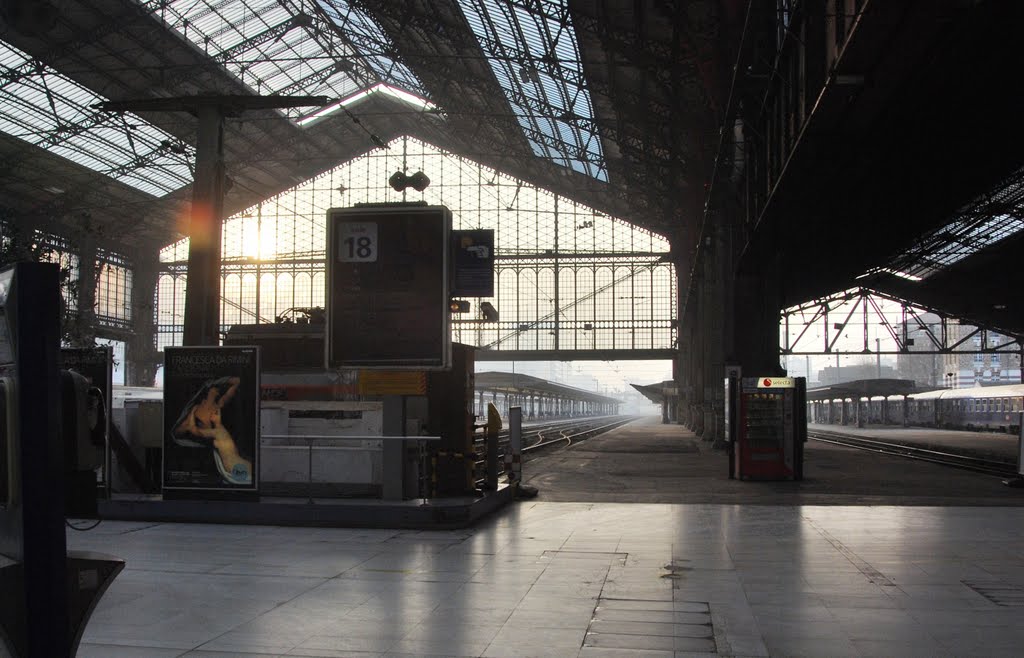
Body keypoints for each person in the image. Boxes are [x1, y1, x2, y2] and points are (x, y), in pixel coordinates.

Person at [171, 376, 251, 485]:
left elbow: (236, 383)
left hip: (221, 448)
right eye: (214, 389)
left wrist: (222, 381)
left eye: (217, 389)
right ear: (207, 391)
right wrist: (190, 422)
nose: (217, 391)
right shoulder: (196, 409)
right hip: (206, 447)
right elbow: (178, 432)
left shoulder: (218, 406)